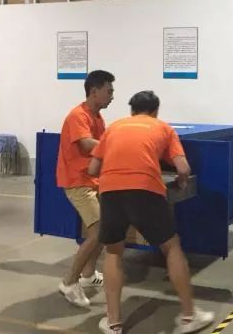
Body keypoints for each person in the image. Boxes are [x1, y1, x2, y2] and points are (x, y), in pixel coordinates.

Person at [89, 91, 215, 334]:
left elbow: (93, 168)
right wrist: (180, 181)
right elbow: (183, 168)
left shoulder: (114, 127)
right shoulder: (163, 128)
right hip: (145, 190)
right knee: (172, 247)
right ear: (155, 111)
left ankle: (113, 323)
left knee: (113, 252)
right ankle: (189, 317)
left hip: (110, 191)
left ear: (132, 110)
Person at [56, 70, 115, 307]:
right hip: (78, 182)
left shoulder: (98, 117)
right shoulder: (77, 116)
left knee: (104, 229)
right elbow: (87, 144)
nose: (112, 96)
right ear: (94, 91)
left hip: (93, 180)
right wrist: (119, 145)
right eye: (109, 91)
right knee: (98, 231)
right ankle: (69, 282)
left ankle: (88, 275)